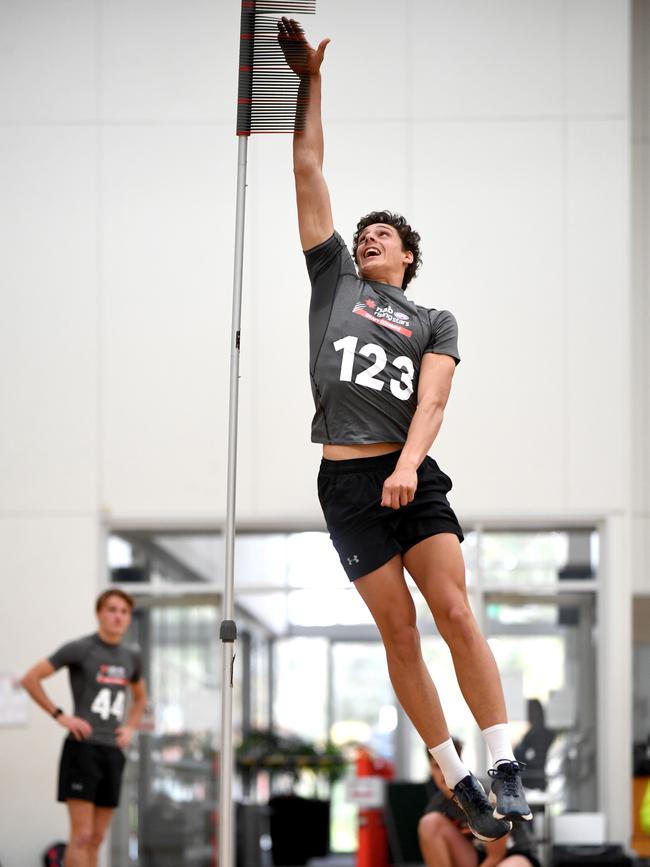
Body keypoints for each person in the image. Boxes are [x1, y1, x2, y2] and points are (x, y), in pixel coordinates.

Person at [277, 17, 531, 842]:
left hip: (408, 470)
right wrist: (309, 83)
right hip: (345, 480)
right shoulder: (335, 283)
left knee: (453, 609)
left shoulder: (431, 318)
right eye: (362, 233)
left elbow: (434, 400)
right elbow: (309, 166)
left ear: (407, 257)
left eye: (382, 235)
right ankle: (454, 772)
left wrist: (410, 465)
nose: (367, 236)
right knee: (398, 629)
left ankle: (500, 758)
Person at [21, 589, 146, 867]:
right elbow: (31, 678)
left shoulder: (131, 657)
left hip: (112, 752)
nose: (118, 616)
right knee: (81, 835)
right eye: (112, 610)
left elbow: (140, 698)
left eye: (124, 611)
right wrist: (61, 716)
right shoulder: (81, 649)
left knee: (97, 837)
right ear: (99, 613)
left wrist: (130, 728)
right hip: (83, 750)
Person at [419, 745, 541, 867]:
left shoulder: (485, 794)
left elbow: (496, 856)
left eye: (448, 766)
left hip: (512, 854)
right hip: (476, 855)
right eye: (437, 766)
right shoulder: (436, 805)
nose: (444, 773)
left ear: (460, 764)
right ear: (430, 769)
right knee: (429, 823)